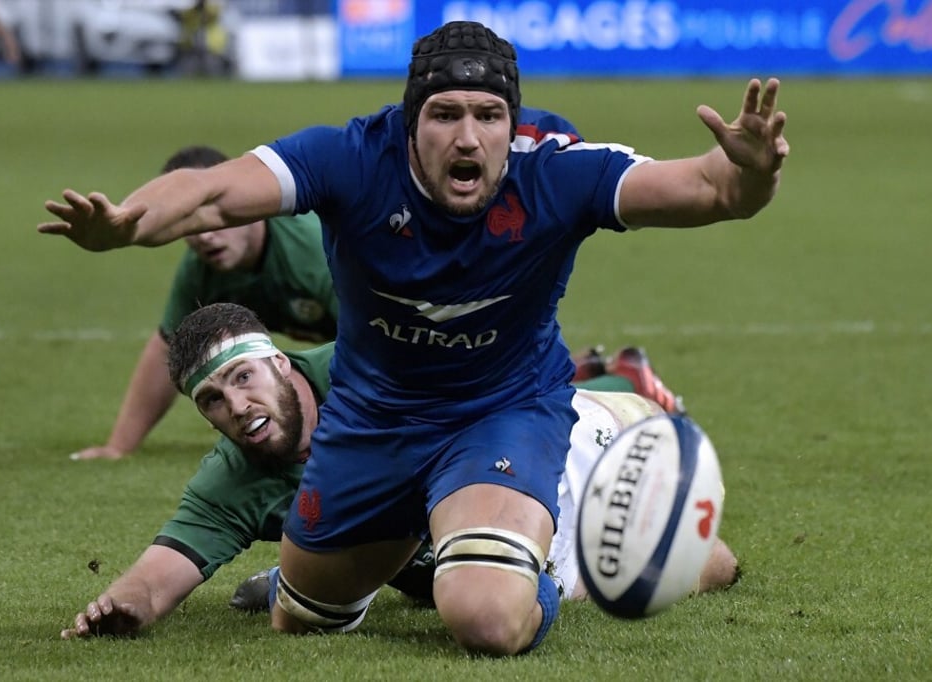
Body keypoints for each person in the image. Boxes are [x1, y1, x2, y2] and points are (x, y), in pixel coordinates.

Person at [40, 20, 787, 655]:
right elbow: (209, 190)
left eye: (488, 115)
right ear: (410, 120)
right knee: (300, 619)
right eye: (445, 113)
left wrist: (750, 175)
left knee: (485, 618)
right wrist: (126, 225)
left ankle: (552, 567)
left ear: (512, 122)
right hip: (371, 423)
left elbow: (710, 188)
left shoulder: (555, 172)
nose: (468, 136)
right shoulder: (352, 160)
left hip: (500, 412)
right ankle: (409, 557)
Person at [60, 302, 736, 640]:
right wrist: (121, 607)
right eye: (213, 401)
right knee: (444, 584)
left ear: (280, 363)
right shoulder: (234, 477)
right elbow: (154, 579)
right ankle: (325, 580)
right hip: (447, 534)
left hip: (563, 458)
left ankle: (625, 380)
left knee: (709, 565)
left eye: (243, 378)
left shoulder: (369, 363)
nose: (237, 407)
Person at [70, 145, 338, 461]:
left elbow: (375, 342)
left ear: (246, 206)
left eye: (213, 219)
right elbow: (167, 348)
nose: (204, 237)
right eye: (189, 223)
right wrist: (118, 447)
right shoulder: (201, 270)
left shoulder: (315, 252)